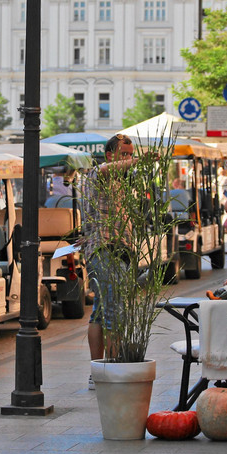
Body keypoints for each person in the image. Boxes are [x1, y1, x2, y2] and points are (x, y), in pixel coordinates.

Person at [79, 133, 138, 390]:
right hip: (103, 249)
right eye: (123, 154)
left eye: (130, 154)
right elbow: (106, 170)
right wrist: (138, 161)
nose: (128, 159)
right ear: (110, 155)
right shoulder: (98, 174)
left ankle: (98, 373)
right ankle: (112, 370)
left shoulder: (122, 181)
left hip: (119, 249)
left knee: (102, 311)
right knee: (114, 309)